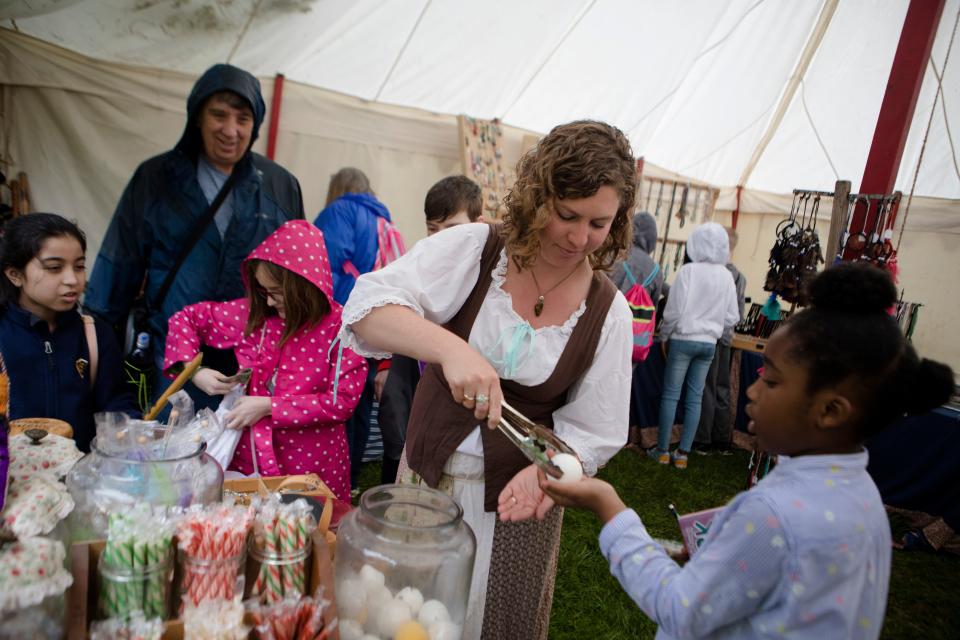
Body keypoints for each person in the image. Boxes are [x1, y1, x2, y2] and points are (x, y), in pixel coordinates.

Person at [538, 262, 955, 640]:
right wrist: (721, 561)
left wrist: (609, 507)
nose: (751, 391)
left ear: (830, 411)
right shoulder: (862, 498)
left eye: (771, 382)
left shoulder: (774, 514)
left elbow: (681, 610)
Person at [340, 120, 635, 639]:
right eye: (568, 215)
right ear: (540, 196)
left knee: (498, 623)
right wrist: (450, 348)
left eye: (598, 223)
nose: (579, 237)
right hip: (431, 477)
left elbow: (597, 427)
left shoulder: (609, 311)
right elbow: (366, 307)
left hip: (519, 505)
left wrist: (548, 470)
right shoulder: (477, 248)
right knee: (409, 613)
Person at [85, 64, 304, 409]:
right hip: (172, 357)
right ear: (197, 117)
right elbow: (119, 263)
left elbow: (298, 273)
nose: (230, 130)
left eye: (243, 119)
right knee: (169, 451)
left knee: (237, 456)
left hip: (250, 361)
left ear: (255, 124)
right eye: (218, 115)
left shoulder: (279, 185)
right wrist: (95, 332)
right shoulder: (156, 179)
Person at [163, 220, 367, 500]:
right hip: (249, 463)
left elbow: (342, 401)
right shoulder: (254, 315)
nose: (269, 302)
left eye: (276, 292)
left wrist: (270, 406)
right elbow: (185, 319)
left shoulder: (340, 328)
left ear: (302, 286)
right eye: (263, 291)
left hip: (313, 467)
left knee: (311, 533)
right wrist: (193, 371)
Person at [377, 174, 483, 484]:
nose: (439, 240)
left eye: (451, 229)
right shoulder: (420, 261)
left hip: (456, 394)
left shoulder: (487, 274)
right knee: (400, 444)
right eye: (432, 230)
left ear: (479, 223)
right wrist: (386, 363)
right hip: (413, 373)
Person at [0, 214, 137, 451]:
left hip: (80, 475)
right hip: (11, 479)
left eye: (80, 266)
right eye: (54, 267)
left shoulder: (95, 334)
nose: (72, 279)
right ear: (15, 274)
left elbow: (116, 403)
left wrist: (129, 430)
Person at [313, 167, 397, 492]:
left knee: (336, 401)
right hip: (375, 319)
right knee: (359, 403)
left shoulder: (338, 211)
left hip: (344, 317)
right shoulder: (384, 220)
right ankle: (353, 477)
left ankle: (334, 478)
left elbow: (324, 265)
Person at [651, 222, 739, 469]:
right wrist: (713, 324)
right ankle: (683, 454)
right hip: (709, 343)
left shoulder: (688, 272)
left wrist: (665, 335)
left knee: (670, 395)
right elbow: (733, 317)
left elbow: (673, 312)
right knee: (695, 398)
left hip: (682, 339)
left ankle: (662, 450)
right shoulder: (726, 275)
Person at [693, 226, 747, 455]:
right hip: (725, 337)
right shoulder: (738, 276)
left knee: (707, 387)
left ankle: (703, 439)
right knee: (722, 388)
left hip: (709, 336)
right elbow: (739, 312)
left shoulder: (712, 273)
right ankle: (721, 439)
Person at [608, 211, 664, 305]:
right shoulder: (656, 271)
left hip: (607, 315)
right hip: (634, 319)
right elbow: (653, 307)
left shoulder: (614, 255)